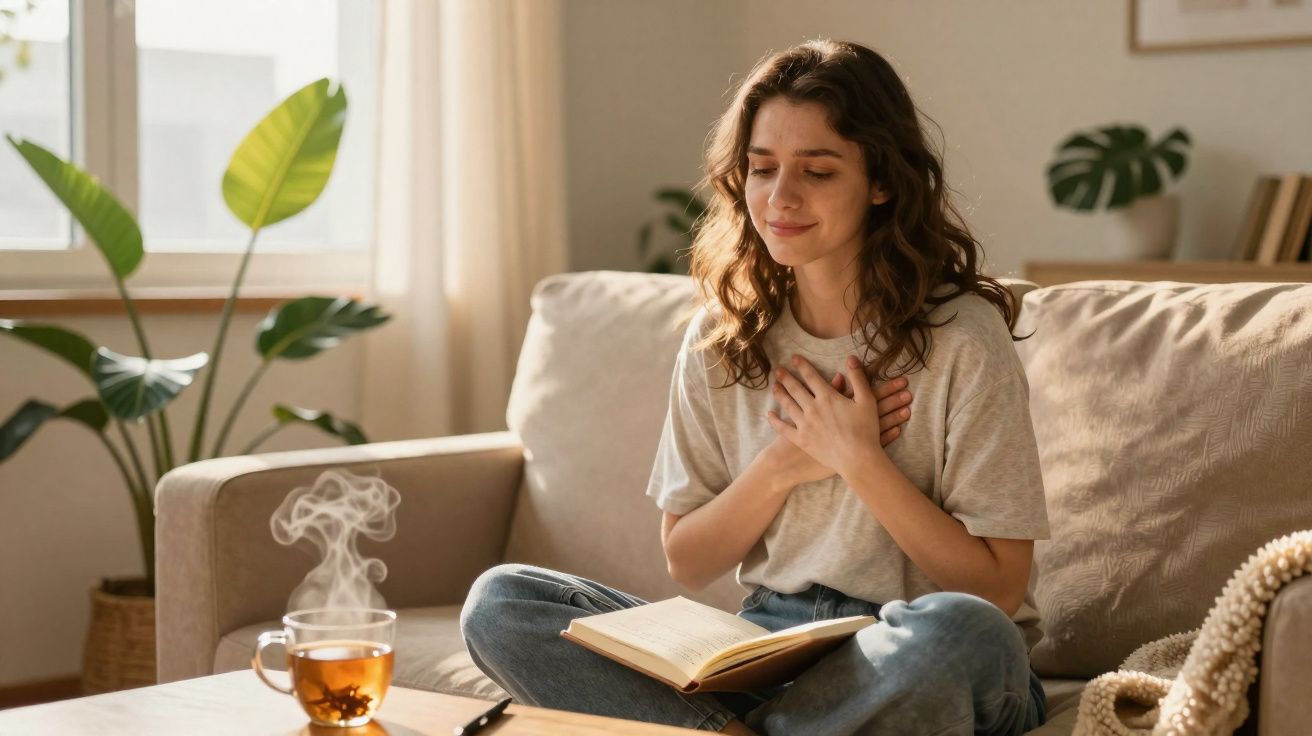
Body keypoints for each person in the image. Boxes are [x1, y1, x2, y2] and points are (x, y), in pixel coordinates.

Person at [460, 38, 1050, 736]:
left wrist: (859, 460)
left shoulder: (962, 337)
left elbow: (995, 589)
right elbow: (687, 557)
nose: (781, 197)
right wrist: (783, 465)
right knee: (504, 602)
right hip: (768, 650)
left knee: (966, 634)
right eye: (762, 168)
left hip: (909, 649)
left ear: (882, 181)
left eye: (818, 171)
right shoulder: (724, 336)